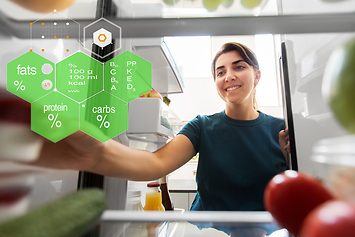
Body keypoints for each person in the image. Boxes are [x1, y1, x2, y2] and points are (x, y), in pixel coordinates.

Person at [30, 42, 290, 212]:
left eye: (239, 67)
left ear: (257, 75)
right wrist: (95, 151)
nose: (228, 76)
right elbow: (154, 164)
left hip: (264, 232)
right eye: (220, 72)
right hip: (204, 233)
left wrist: (291, 161)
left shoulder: (282, 130)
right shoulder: (202, 126)